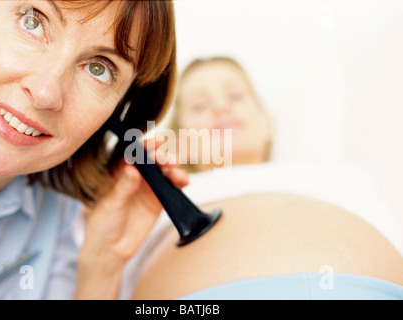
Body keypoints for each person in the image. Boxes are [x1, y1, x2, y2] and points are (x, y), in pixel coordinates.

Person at [0, 0, 186, 300]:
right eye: (32, 22)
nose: (45, 92)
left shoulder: (59, 212)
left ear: (115, 113)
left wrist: (103, 261)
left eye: (98, 69)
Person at [117, 57, 403, 299]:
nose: (220, 107)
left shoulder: (340, 176)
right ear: (181, 141)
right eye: (200, 106)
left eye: (236, 96)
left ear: (266, 122)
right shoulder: (145, 200)